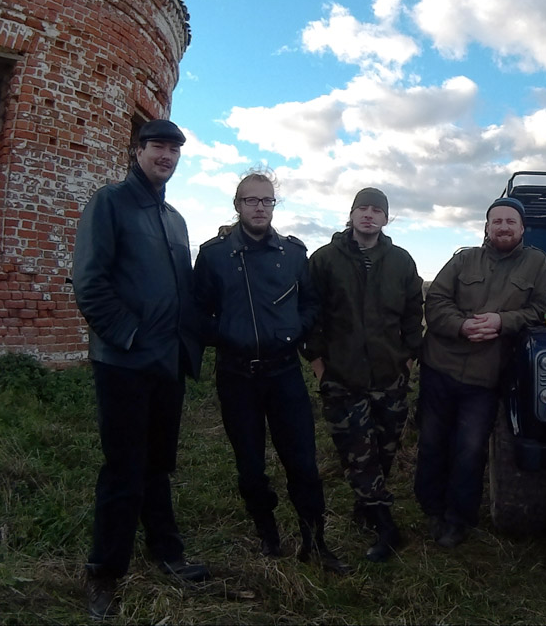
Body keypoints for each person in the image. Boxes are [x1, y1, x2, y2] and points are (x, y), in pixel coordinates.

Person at [72, 119, 209, 620]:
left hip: (166, 363)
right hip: (124, 362)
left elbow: (183, 291)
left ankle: (166, 554)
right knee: (123, 469)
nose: (166, 156)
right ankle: (104, 574)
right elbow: (88, 280)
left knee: (158, 465)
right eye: (158, 147)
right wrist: (127, 335)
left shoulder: (174, 219)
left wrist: (190, 342)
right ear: (138, 150)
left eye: (174, 150)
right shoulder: (110, 203)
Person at [192, 168, 350, 575]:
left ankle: (316, 543)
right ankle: (268, 536)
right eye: (251, 200)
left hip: (283, 376)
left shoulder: (294, 254)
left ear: (274, 206)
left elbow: (311, 304)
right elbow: (196, 312)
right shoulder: (213, 255)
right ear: (237, 205)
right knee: (250, 466)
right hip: (236, 376)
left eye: (267, 200)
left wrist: (294, 330)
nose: (259, 207)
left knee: (303, 464)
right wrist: (226, 333)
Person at [413, 197, 546, 548]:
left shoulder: (537, 263)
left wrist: (503, 321)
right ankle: (431, 508)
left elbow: (539, 311)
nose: (503, 227)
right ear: (487, 227)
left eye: (510, 221)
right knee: (432, 441)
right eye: (497, 221)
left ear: (522, 228)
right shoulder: (463, 259)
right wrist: (462, 327)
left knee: (470, 448)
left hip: (486, 376)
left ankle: (458, 519)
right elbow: (436, 300)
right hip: (440, 364)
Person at [303, 187, 423, 562]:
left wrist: (407, 359)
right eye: (362, 209)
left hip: (390, 376)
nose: (369, 215)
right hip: (343, 376)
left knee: (384, 450)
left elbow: (412, 312)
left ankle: (366, 507)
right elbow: (311, 316)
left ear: (386, 219)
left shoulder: (401, 261)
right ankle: (387, 527)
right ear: (351, 214)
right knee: (358, 453)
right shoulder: (324, 260)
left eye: (376, 210)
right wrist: (320, 368)